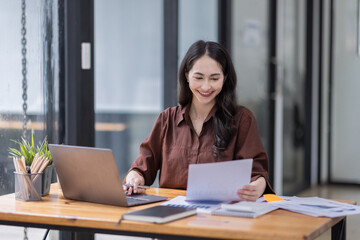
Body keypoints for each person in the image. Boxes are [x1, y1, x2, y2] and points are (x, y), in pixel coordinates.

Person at [123, 40, 274, 201]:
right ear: (187, 76)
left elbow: (256, 172)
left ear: (225, 78)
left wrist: (257, 185)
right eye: (199, 78)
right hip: (172, 215)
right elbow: (144, 164)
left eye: (214, 79)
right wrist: (135, 176)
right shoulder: (167, 119)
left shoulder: (242, 120)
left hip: (221, 216)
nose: (206, 87)